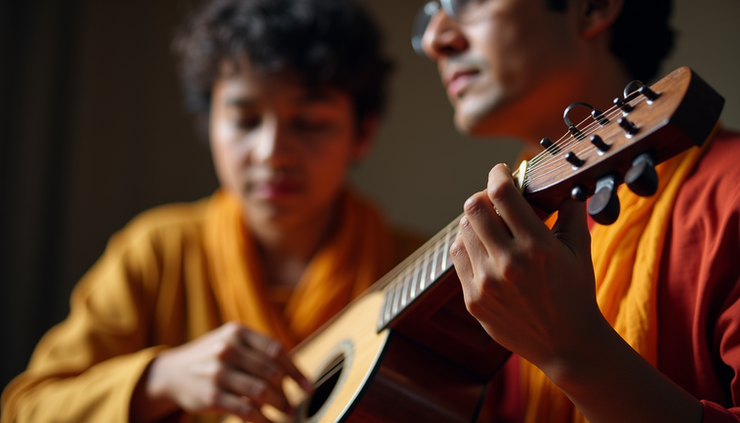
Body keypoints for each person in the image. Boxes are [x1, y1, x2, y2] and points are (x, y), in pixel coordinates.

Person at [1, 0, 425, 422]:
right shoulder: (156, 253)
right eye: (245, 120)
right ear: (210, 124)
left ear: (363, 132)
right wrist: (159, 379)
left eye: (310, 121)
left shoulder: (421, 271)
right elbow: (26, 408)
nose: (272, 152)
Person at [417, 0, 740, 421]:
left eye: (468, 1)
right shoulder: (491, 256)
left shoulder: (729, 194)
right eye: (428, 14)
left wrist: (572, 350)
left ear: (593, 7)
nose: (433, 39)